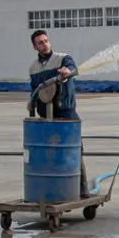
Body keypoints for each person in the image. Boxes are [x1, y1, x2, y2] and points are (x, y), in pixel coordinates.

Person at [28, 30, 89, 198]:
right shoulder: (33, 68)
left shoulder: (62, 59)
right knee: (51, 152)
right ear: (35, 47)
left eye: (46, 41)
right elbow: (34, 89)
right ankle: (54, 189)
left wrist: (65, 73)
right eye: (40, 42)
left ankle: (82, 189)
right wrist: (31, 101)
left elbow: (73, 68)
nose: (44, 44)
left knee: (75, 149)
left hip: (66, 111)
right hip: (46, 116)